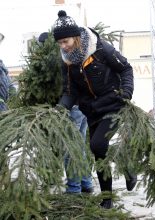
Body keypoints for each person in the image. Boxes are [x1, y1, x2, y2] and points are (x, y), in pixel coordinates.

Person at [52, 10, 137, 209]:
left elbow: (126, 69)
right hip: (91, 109)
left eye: (65, 41)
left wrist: (126, 91)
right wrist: (60, 108)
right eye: (60, 43)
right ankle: (107, 199)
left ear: (75, 36)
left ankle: (125, 168)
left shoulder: (100, 49)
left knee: (98, 145)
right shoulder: (67, 61)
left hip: (113, 103)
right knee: (98, 152)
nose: (63, 46)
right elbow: (69, 90)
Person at [38, 32, 93, 194]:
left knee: (70, 147)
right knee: (79, 146)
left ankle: (74, 188)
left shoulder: (59, 59)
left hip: (72, 108)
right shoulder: (69, 54)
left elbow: (60, 86)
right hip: (81, 107)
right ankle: (86, 182)